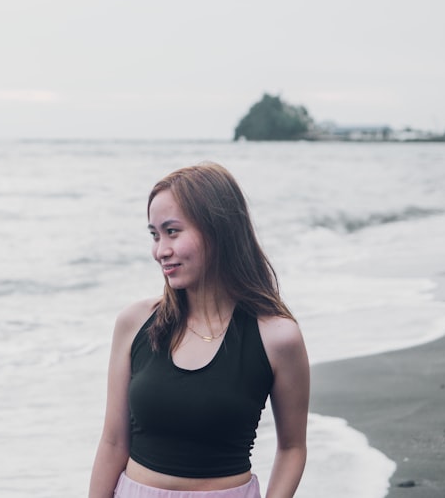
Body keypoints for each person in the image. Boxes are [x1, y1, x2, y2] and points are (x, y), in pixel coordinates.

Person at [89, 163, 309, 498]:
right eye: (154, 234)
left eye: (172, 231)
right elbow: (113, 441)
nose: (160, 250)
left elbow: (292, 448)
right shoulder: (135, 323)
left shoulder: (276, 337)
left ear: (218, 230)